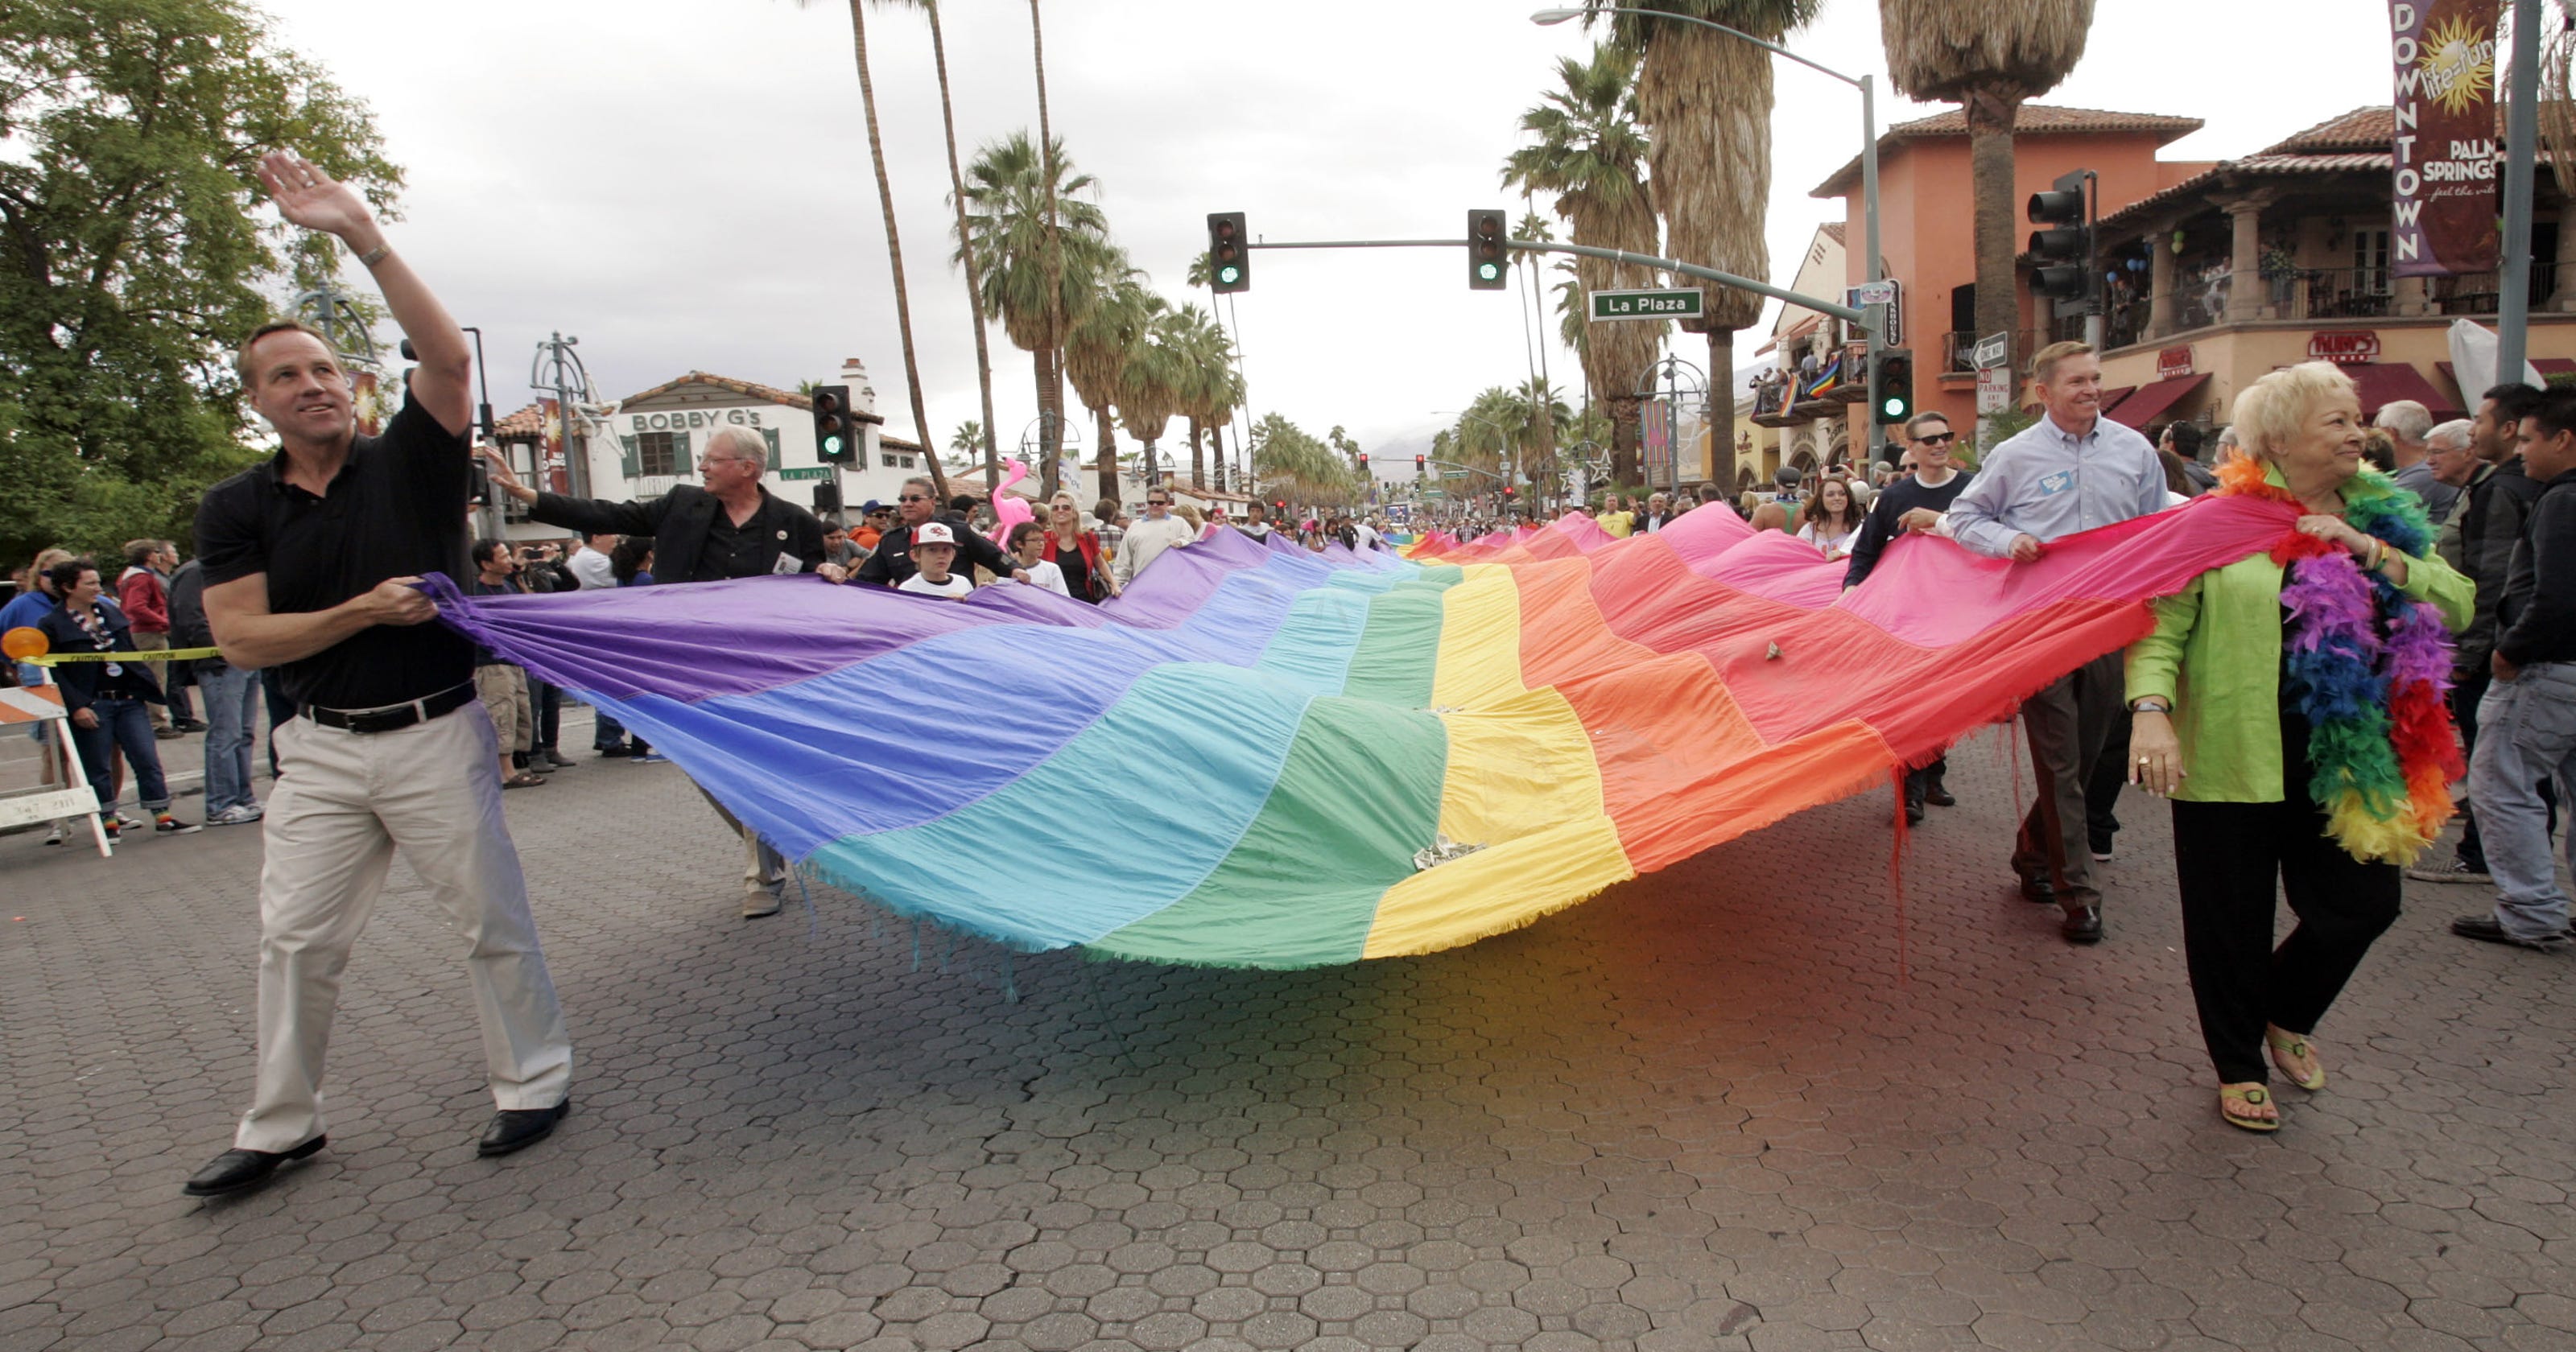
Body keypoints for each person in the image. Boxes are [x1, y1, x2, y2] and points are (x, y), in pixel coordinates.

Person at [184, 151, 572, 1197]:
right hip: (317, 752)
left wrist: (363, 235)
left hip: (436, 730)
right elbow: (242, 642)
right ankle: (280, 1125)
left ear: (348, 386)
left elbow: (447, 365)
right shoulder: (235, 508)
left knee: (489, 919)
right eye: (285, 376)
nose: (310, 385)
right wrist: (358, 611)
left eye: (322, 370)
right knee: (296, 941)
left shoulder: (405, 458)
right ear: (258, 402)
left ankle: (532, 1084)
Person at [2126, 361, 2471, 1130]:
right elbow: (2161, 626)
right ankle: (2239, 1063)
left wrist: (2368, 549)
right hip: (2230, 745)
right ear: (2279, 437)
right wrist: (2150, 713)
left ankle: (2286, 1010)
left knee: (2364, 904)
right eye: (2338, 421)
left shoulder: (2386, 516)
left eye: (2357, 419)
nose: (2359, 433)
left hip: (2346, 751)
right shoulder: (2214, 522)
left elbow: (2459, 601)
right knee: (2228, 919)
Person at [1946, 340, 2167, 945]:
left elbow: (2155, 529)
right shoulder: (2015, 456)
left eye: (2095, 378)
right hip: (2040, 627)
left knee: (2089, 758)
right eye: (2076, 381)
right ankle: (2080, 895)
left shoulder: (2134, 450)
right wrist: (2007, 541)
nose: (2091, 389)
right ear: (2043, 391)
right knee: (2061, 760)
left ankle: (2031, 853)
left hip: (2107, 624)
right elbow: (1967, 518)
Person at [2450, 385, 2576, 953]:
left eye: (2529, 439)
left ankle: (2530, 911)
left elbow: (2551, 596)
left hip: (2546, 668)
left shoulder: (2561, 500)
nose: (2522, 452)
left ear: (2563, 439)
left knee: (2502, 785)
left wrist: (2509, 649)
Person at [2411, 406, 2549, 887]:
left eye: (2483, 422)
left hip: (2499, 650)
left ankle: (2487, 862)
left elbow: (2492, 579)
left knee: (2499, 770)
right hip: (2505, 644)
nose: (2476, 429)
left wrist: (2476, 653)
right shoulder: (2501, 489)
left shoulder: (2505, 491)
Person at [490, 425, 847, 587]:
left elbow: (811, 578)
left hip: (761, 655)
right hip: (688, 646)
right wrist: (530, 496)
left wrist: (827, 572)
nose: (702, 467)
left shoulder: (795, 521)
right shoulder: (681, 504)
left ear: (747, 468)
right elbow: (608, 514)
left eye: (712, 460)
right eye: (702, 459)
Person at [1845, 411, 1976, 823]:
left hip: (1958, 616)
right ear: (1912, 448)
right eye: (1930, 439)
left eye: (1946, 436)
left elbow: (1990, 537)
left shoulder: (1974, 491)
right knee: (1912, 703)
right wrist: (1852, 589)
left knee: (1945, 704)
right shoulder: (1895, 498)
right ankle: (1911, 790)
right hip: (1906, 619)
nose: (1940, 445)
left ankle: (1933, 773)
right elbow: (1866, 549)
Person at [36, 558, 200, 839]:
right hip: (92, 704)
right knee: (97, 764)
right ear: (67, 587)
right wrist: (76, 706)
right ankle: (107, 821)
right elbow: (54, 673)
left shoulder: (110, 614)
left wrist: (143, 688)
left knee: (146, 757)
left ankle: (163, 815)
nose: (97, 588)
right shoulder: (52, 624)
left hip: (128, 699)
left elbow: (129, 653)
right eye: (89, 583)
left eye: (98, 581)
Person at [167, 552, 265, 825]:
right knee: (226, 733)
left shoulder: (231, 571)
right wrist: (220, 651)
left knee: (243, 733)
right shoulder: (196, 572)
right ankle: (221, 804)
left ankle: (243, 797)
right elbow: (190, 615)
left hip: (246, 657)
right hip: (221, 662)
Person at [855, 476, 1026, 589]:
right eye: (903, 499)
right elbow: (867, 582)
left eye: (915, 499)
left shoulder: (959, 531)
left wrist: (1014, 570)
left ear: (932, 502)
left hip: (957, 615)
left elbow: (995, 556)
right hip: (915, 619)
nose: (907, 504)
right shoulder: (890, 541)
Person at [468, 540, 544, 789]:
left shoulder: (510, 587)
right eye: (502, 556)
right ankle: (504, 773)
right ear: (486, 564)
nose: (509, 561)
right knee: (501, 714)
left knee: (521, 712)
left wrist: (523, 579)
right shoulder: (475, 593)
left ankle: (514, 766)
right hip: (491, 663)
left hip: (514, 660)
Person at [118, 539, 197, 736]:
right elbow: (136, 607)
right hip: (149, 634)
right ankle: (156, 723)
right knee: (155, 679)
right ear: (148, 556)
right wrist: (164, 622)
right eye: (155, 552)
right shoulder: (142, 578)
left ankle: (153, 721)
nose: (159, 555)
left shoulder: (130, 576)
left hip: (142, 631)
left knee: (152, 677)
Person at [2376, 398, 2459, 525]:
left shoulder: (2425, 474)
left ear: (2391, 433)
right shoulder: (2426, 469)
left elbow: (2374, 511)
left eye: (2376, 432)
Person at [1040, 490, 1115, 603]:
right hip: (1054, 603)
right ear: (1051, 514)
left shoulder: (1087, 537)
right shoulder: (1043, 539)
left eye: (1066, 508)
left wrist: (1114, 584)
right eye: (1055, 508)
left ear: (1074, 513)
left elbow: (1100, 563)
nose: (1060, 511)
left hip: (1085, 602)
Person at [1115, 486, 1196, 586]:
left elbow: (1192, 542)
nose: (1155, 505)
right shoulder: (1135, 526)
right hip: (1142, 584)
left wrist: (1181, 542)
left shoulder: (1179, 523)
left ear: (1167, 504)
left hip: (1173, 584)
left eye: (1160, 503)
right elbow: (1124, 560)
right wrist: (1118, 584)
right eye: (1151, 502)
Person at [898, 521, 976, 598]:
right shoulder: (908, 590)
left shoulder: (963, 583)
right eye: (932, 550)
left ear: (953, 554)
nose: (941, 556)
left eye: (946, 550)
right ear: (915, 555)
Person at [1794, 477, 1864, 559]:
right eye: (1830, 495)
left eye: (1842, 494)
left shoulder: (1862, 529)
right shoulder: (1808, 532)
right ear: (1821, 499)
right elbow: (1798, 559)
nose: (1837, 498)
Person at [1007, 521, 1071, 596]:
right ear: (1019, 544)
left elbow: (1063, 598)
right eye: (1034, 540)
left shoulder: (1052, 569)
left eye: (1042, 540)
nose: (1041, 544)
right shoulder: (1008, 570)